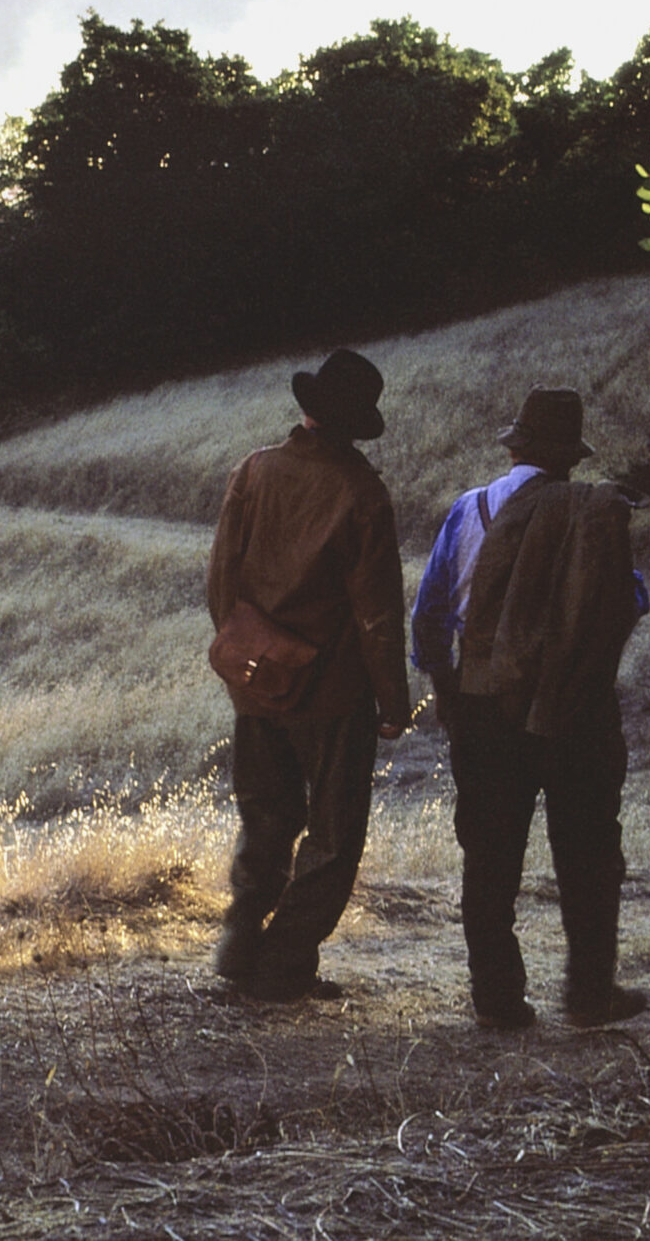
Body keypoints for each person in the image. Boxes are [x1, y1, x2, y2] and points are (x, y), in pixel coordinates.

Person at [411, 388, 649, 1029]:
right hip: (577, 706)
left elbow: (429, 617)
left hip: (485, 705)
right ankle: (589, 994)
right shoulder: (594, 512)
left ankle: (498, 1000)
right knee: (589, 851)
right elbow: (629, 602)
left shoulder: (469, 510)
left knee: (489, 854)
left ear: (513, 446)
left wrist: (450, 695)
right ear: (570, 459)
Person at [206, 349, 412, 1002]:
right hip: (331, 692)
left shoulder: (254, 469)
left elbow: (220, 579)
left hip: (256, 681)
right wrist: (392, 700)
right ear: (355, 424)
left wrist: (246, 654)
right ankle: (286, 963)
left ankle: (241, 942)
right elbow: (376, 613)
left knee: (265, 817)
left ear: (308, 409)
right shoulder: (362, 492)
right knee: (332, 835)